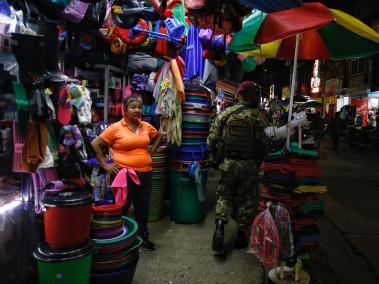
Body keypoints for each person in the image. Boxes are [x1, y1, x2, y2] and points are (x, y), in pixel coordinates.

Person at [91, 95, 162, 250]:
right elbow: (95, 144)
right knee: (122, 207)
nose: (137, 110)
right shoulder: (116, 128)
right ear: (125, 110)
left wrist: (151, 153)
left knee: (143, 208)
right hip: (124, 174)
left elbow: (159, 136)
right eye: (133, 107)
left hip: (146, 173)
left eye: (139, 107)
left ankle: (143, 237)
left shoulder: (146, 126)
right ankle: (121, 238)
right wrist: (105, 164)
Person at [207, 81, 267, 252]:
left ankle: (219, 227)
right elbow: (264, 144)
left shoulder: (225, 114)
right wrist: (260, 163)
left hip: (228, 163)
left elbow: (211, 140)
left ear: (238, 94)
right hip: (249, 165)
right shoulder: (258, 117)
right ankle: (241, 236)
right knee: (247, 199)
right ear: (253, 96)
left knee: (225, 196)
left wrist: (214, 159)